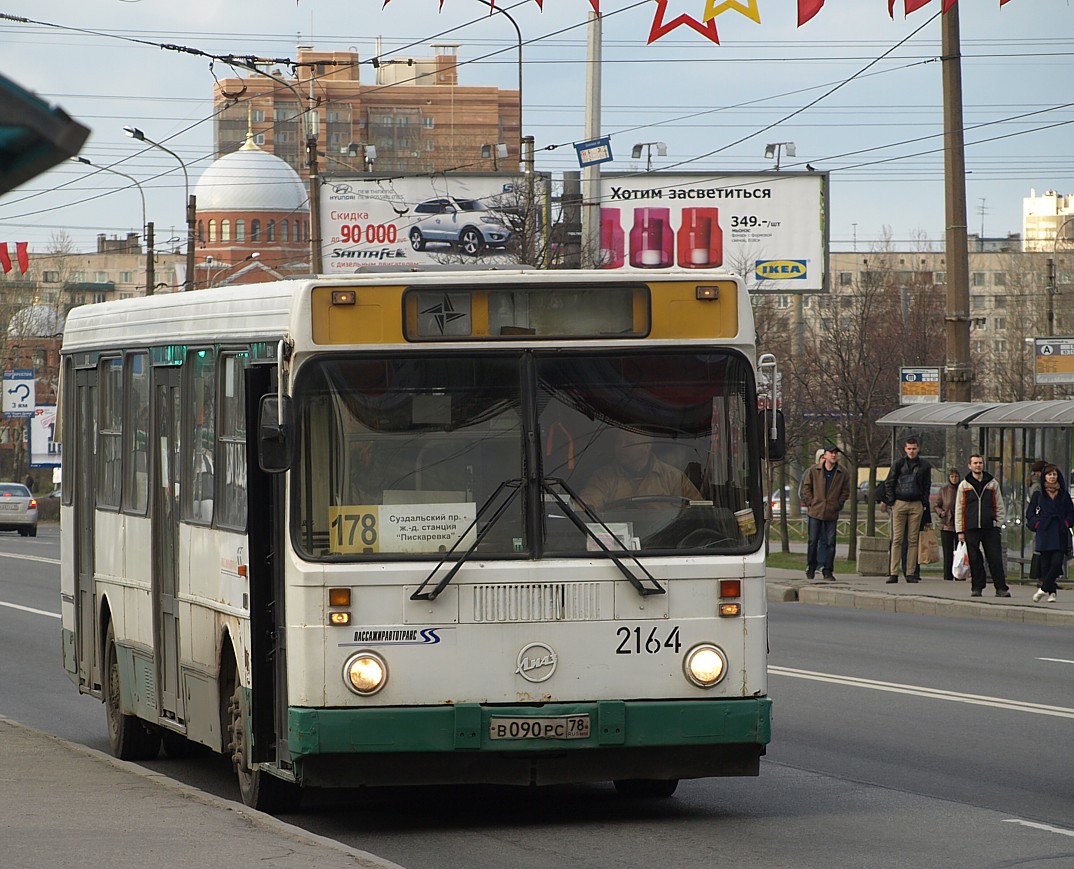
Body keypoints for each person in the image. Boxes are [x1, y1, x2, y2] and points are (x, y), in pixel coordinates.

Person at [580, 428, 701, 511]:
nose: (620, 446)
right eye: (618, 442)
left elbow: (699, 511)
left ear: (647, 447)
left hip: (664, 544)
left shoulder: (673, 477)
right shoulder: (603, 477)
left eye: (629, 442)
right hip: (618, 544)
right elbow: (585, 506)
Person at [955, 454, 1011, 598]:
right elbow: (959, 508)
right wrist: (960, 530)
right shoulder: (964, 485)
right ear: (970, 466)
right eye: (975, 463)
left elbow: (999, 504)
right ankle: (977, 587)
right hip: (971, 527)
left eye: (980, 463)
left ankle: (1001, 588)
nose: (978, 465)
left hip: (990, 527)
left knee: (995, 558)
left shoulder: (992, 483)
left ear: (983, 465)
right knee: (974, 559)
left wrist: (998, 522)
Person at [882, 436, 932, 584]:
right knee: (897, 539)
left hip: (916, 503)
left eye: (914, 448)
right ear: (905, 449)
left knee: (912, 540)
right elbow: (889, 482)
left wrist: (924, 502)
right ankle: (893, 572)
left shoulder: (924, 465)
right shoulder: (898, 464)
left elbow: (927, 485)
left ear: (918, 449)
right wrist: (892, 501)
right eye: (909, 449)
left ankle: (910, 572)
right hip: (900, 502)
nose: (911, 451)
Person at [801, 444, 850, 580]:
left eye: (836, 453)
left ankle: (827, 570)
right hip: (815, 511)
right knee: (813, 541)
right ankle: (811, 566)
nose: (834, 455)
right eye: (831, 453)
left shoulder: (842, 472)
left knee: (830, 542)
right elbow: (807, 487)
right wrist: (811, 501)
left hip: (831, 512)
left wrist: (838, 504)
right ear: (825, 455)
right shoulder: (814, 470)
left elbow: (846, 491)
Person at [1025, 463, 1074, 603]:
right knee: (1045, 564)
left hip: (1059, 532)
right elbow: (1030, 514)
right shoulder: (1038, 495)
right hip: (1045, 531)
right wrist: (1037, 524)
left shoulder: (1063, 495)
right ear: (1044, 477)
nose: (1052, 477)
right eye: (1049, 474)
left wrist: (1066, 523)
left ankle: (1044, 588)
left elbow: (1071, 513)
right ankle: (1052, 591)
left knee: (1057, 562)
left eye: (1054, 474)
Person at [934, 467, 962, 581]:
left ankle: (960, 575)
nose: (954, 479)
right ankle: (947, 575)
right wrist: (942, 513)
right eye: (952, 477)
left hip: (960, 523)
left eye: (956, 477)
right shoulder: (944, 490)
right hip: (946, 523)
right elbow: (937, 505)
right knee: (948, 552)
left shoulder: (962, 488)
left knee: (959, 551)